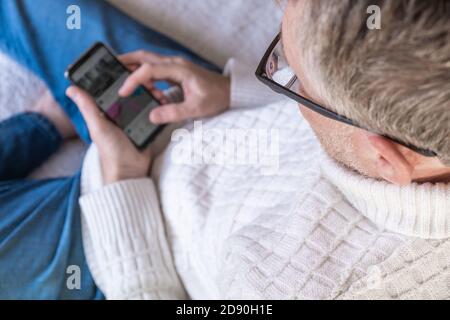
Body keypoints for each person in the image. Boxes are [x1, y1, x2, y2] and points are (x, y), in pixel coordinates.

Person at [1, 0, 449, 300]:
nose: (281, 72)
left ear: (384, 158)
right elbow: (333, 120)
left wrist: (122, 182)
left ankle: (40, 126)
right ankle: (43, 124)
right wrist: (228, 92)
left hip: (115, 236)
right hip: (187, 113)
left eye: (287, 71)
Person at [0, 0, 218, 299]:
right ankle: (45, 125)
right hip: (116, 241)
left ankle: (45, 125)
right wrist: (124, 176)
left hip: (116, 170)